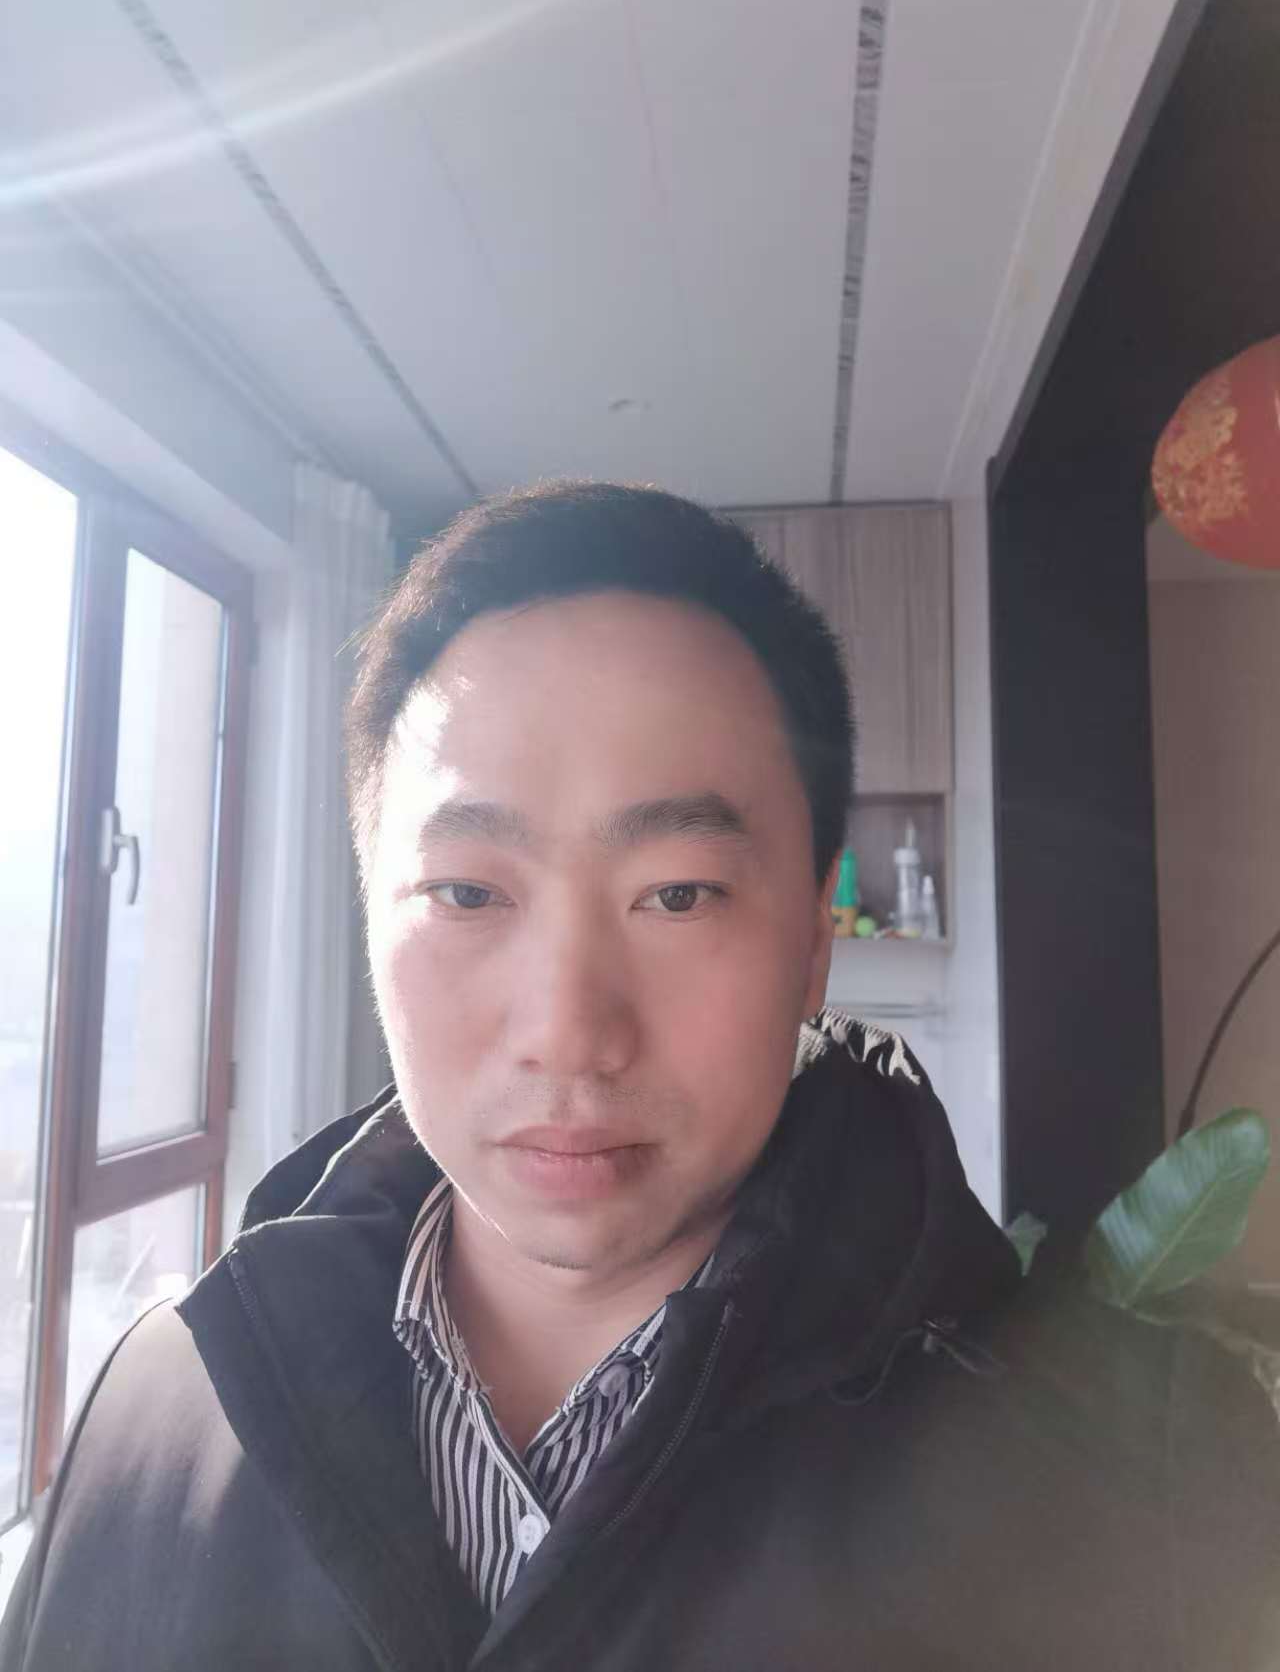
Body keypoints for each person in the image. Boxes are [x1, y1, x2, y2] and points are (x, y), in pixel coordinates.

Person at [3, 481, 1277, 1670]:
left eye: (677, 893)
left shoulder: (1137, 1484)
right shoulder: (157, 1406)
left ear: (814, 946)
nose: (568, 1031)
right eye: (467, 892)